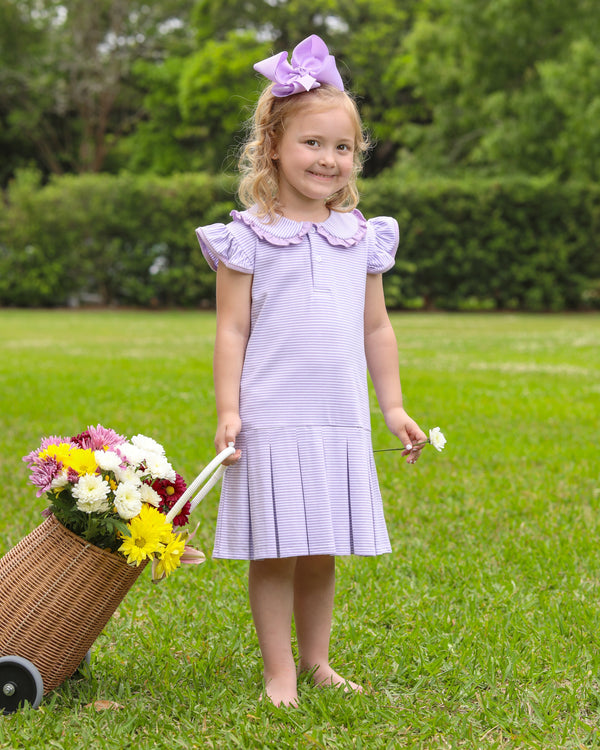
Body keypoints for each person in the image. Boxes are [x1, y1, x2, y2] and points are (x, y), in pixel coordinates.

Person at [196, 34, 427, 707]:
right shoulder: (246, 236)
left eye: (342, 147)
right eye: (312, 144)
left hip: (338, 414)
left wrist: (393, 408)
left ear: (356, 157)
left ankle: (319, 661)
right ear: (273, 144)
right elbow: (231, 328)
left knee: (320, 546)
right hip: (272, 413)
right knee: (276, 548)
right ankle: (279, 672)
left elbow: (376, 327)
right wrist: (228, 408)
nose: (328, 159)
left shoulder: (360, 235)